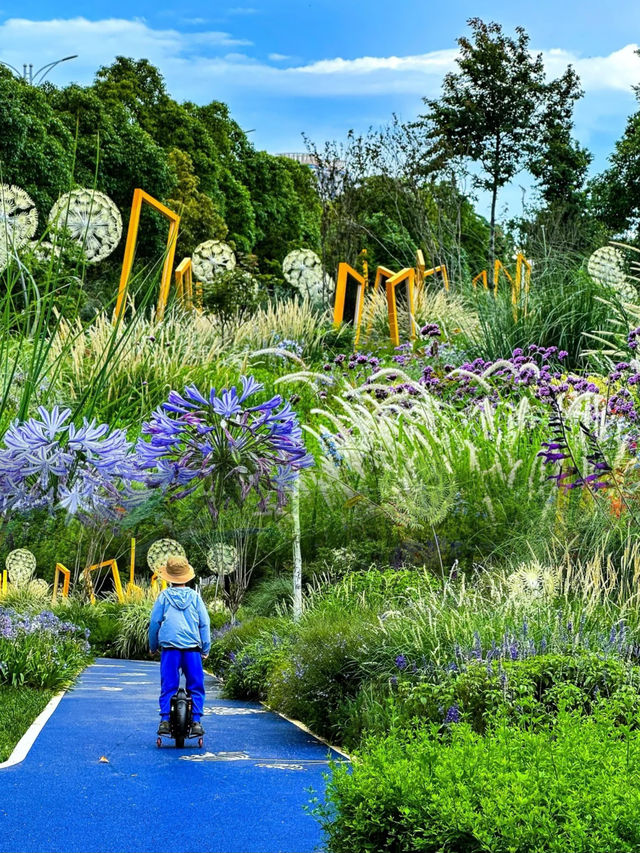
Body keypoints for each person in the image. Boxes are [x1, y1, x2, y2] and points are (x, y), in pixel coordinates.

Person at [148, 555, 211, 738]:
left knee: (168, 685)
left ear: (169, 577)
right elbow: (204, 624)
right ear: (187, 576)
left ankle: (166, 720)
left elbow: (154, 623)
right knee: (196, 685)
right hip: (192, 649)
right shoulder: (195, 597)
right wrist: (205, 649)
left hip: (170, 649)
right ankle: (197, 721)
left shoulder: (164, 597)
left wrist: (153, 647)